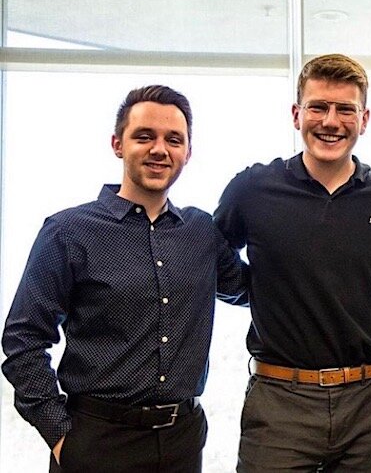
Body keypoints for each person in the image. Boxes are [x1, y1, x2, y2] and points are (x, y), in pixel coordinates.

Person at [2, 85, 248, 473]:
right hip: (96, 442)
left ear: (188, 152)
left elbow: (252, 289)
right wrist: (62, 438)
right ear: (118, 144)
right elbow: (23, 341)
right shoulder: (68, 232)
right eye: (144, 136)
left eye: (174, 139)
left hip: (181, 440)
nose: (159, 149)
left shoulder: (201, 232)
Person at [214, 53, 371, 472]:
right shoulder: (253, 189)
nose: (330, 121)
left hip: (369, 404)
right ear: (297, 114)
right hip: (280, 401)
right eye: (318, 107)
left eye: (345, 110)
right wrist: (253, 290)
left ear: (365, 119)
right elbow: (211, 255)